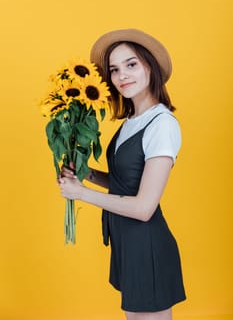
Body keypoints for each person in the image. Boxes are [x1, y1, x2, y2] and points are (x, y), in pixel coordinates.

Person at [58, 28, 186, 320]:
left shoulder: (162, 125)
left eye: (131, 64)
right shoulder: (132, 121)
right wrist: (87, 174)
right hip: (127, 243)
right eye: (114, 69)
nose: (120, 76)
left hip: (147, 245)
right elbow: (126, 181)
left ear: (150, 67)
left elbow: (143, 208)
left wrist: (81, 194)